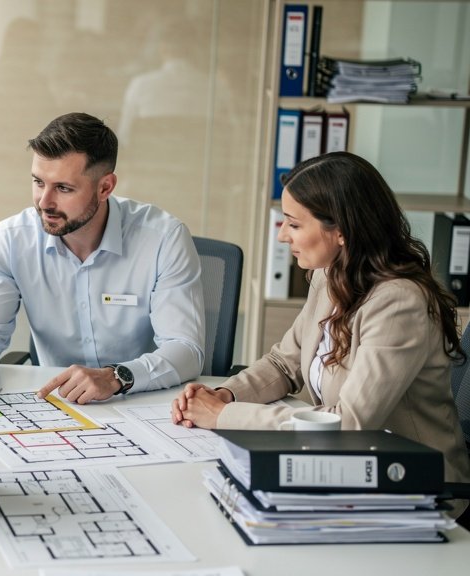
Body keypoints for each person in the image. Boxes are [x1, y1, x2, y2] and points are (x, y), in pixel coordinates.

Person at [171, 152, 470, 512]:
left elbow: (350, 424)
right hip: (349, 468)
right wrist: (224, 395)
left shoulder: (398, 302)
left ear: (341, 231)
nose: (282, 236)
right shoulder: (330, 275)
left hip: (415, 485)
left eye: (294, 225)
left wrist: (222, 417)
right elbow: (285, 362)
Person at [0, 112, 205, 403]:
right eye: (38, 182)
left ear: (105, 187)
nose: (44, 202)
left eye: (63, 188)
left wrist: (115, 376)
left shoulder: (163, 239)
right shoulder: (11, 239)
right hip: (57, 403)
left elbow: (185, 349)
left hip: (142, 400)